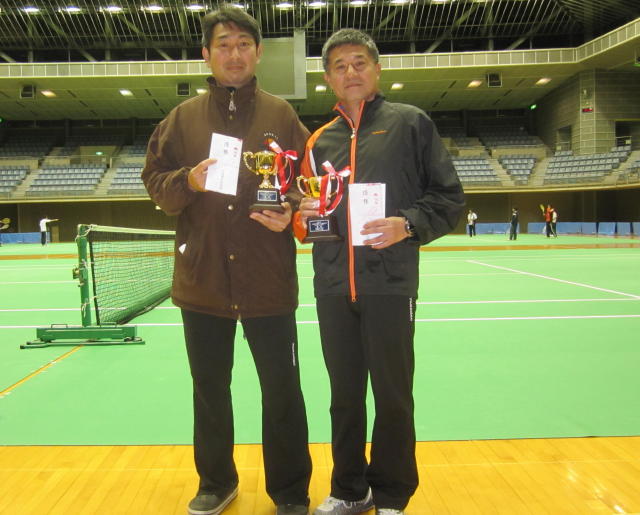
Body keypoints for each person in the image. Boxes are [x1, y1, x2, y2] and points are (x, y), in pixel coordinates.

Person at [141, 6, 311, 515]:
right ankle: (216, 482)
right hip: (204, 282)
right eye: (223, 45)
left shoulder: (282, 117)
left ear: (257, 53)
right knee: (210, 390)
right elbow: (155, 182)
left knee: (282, 391)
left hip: (268, 281)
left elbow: (307, 184)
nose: (233, 54)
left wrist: (291, 210)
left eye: (243, 44)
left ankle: (289, 491)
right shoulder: (181, 120)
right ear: (206, 54)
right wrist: (188, 180)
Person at [296, 29, 465, 515]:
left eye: (359, 62)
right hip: (333, 286)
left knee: (393, 396)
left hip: (390, 284)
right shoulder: (318, 141)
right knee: (344, 397)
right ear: (328, 78)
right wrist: (303, 216)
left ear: (377, 68)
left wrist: (406, 224)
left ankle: (391, 493)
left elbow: (449, 198)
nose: (350, 72)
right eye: (340, 66)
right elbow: (306, 216)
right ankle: (350, 489)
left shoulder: (411, 124)